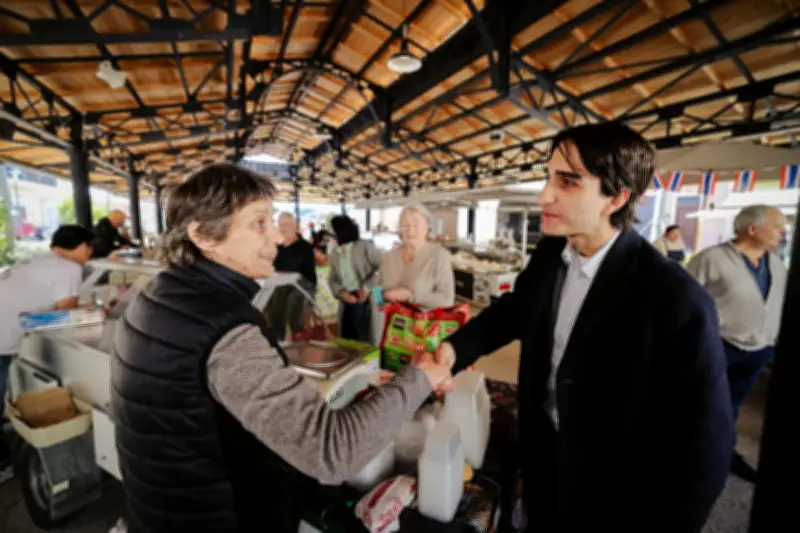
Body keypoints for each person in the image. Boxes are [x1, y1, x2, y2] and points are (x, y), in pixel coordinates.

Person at [111, 163, 452, 533]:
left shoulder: (155, 295)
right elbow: (332, 451)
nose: (276, 236)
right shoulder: (223, 327)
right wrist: (419, 378)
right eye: (260, 223)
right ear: (203, 235)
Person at [426, 123, 734, 532]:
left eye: (568, 182)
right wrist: (453, 349)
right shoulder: (553, 251)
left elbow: (704, 448)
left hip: (612, 486)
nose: (544, 195)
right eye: (548, 177)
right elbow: (515, 311)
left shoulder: (674, 300)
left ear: (616, 197)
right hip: (542, 454)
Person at [687, 204, 787, 483]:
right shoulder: (711, 258)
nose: (783, 232)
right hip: (718, 346)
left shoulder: (776, 262)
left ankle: (723, 453)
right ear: (752, 229)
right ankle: (691, 457)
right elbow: (684, 301)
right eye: (777, 226)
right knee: (703, 404)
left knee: (732, 405)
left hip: (759, 349)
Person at [0, 225, 94, 481]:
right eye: (89, 247)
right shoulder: (69, 267)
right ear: (80, 246)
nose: (90, 253)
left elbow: (36, 314)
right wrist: (92, 314)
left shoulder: (39, 260)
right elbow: (65, 315)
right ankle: (3, 464)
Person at [378, 202, 455, 308]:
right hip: (389, 317)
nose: (410, 230)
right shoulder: (388, 257)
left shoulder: (439, 256)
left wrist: (411, 297)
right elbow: (377, 288)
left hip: (422, 318)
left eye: (416, 225)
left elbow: (447, 299)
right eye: (405, 225)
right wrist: (380, 301)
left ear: (427, 228)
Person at [327, 215, 383, 342]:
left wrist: (367, 287)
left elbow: (383, 268)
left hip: (368, 298)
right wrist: (341, 292)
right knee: (347, 336)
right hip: (347, 299)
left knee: (365, 336)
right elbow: (332, 278)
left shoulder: (365, 247)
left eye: (333, 231)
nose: (331, 235)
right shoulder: (335, 253)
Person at [265, 213, 317, 341]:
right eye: (281, 225)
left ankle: (294, 333)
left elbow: (308, 275)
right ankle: (277, 337)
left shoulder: (305, 247)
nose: (283, 228)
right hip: (280, 284)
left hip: (302, 284)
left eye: (287, 224)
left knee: (291, 298)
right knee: (267, 295)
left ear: (295, 226)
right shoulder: (277, 248)